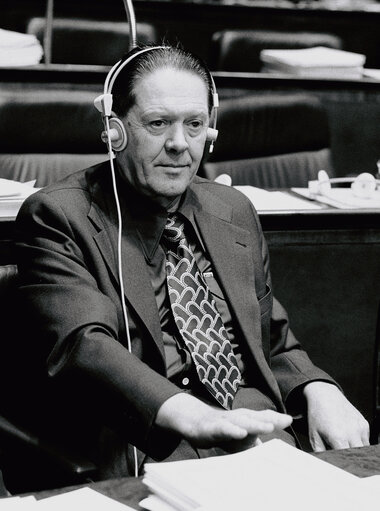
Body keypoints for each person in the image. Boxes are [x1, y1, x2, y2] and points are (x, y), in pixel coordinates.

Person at [14, 45, 369, 479]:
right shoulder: (58, 215)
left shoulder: (232, 208)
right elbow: (83, 345)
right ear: (116, 130)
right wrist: (190, 415)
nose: (179, 144)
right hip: (152, 438)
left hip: (261, 429)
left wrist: (318, 387)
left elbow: (272, 339)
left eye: (195, 124)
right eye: (158, 123)